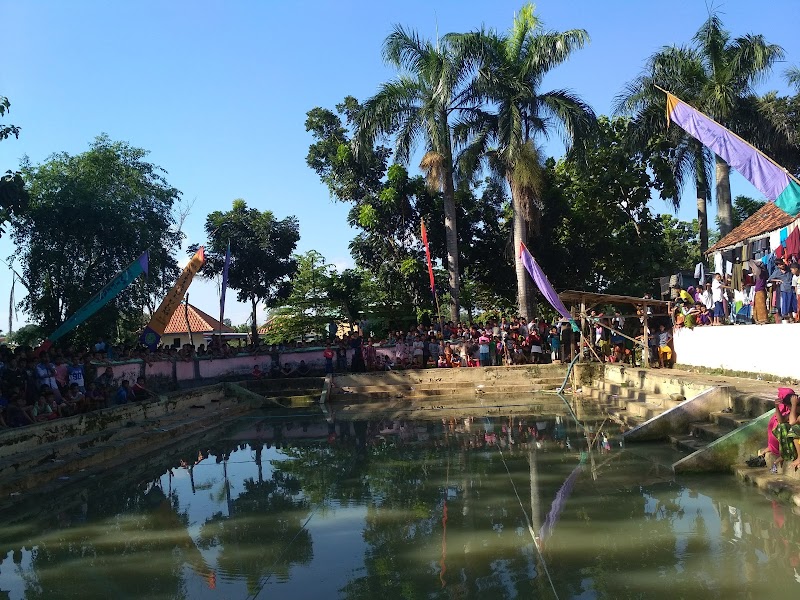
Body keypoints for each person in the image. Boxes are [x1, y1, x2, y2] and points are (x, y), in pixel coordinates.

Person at [769, 259, 795, 323]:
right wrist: (778, 280)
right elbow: (770, 279)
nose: (782, 265)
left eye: (782, 263)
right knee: (785, 304)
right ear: (778, 266)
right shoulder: (777, 272)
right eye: (780, 265)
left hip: (792, 289)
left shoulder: (789, 269)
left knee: (792, 304)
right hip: (784, 290)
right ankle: (787, 319)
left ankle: (792, 318)